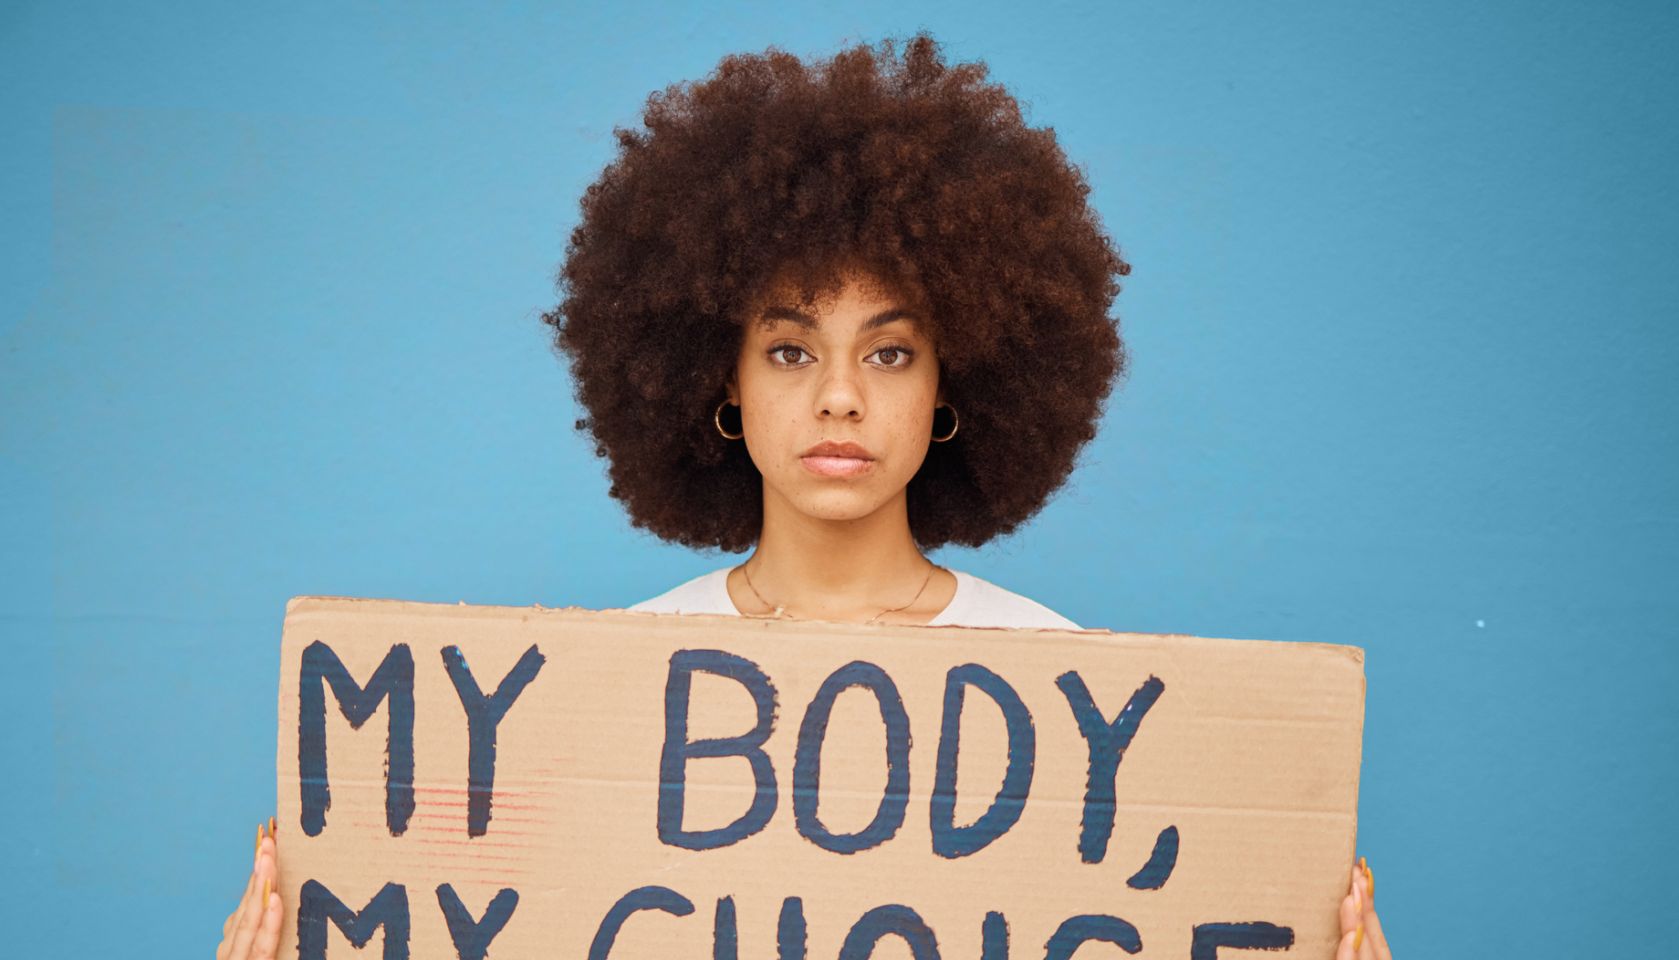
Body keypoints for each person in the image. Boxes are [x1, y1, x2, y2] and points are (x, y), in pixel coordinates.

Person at [216, 32, 1392, 960]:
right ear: (717, 382)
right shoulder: (616, 684)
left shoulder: (1062, 693)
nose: (838, 397)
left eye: (889, 352)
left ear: (951, 385)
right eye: (788, 351)